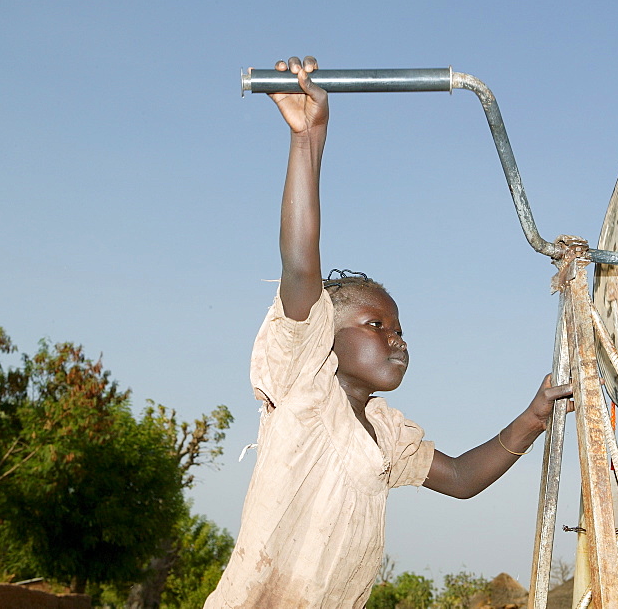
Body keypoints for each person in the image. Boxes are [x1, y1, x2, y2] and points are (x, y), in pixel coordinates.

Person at [204, 56, 573, 608]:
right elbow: (301, 264)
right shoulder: (305, 386)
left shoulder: (385, 434)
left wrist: (536, 415)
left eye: (399, 329)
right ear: (326, 334)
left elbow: (465, 477)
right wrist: (308, 141)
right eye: (377, 325)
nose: (396, 339)